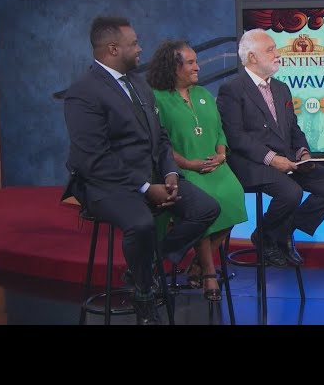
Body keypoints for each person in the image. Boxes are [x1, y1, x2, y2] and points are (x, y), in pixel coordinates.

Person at [63, 16, 221, 324]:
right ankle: (144, 292)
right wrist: (146, 188)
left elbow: (159, 137)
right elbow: (95, 158)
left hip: (154, 175)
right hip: (106, 184)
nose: (140, 48)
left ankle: (145, 266)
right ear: (113, 49)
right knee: (142, 224)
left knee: (206, 209)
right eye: (134, 43)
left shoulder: (138, 83)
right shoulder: (83, 92)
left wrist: (171, 173)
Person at [216, 28, 324, 267]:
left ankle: (277, 232)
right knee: (291, 192)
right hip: (252, 163)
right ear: (252, 57)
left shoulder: (281, 88)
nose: (277, 54)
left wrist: (302, 152)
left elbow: (293, 128)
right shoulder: (232, 89)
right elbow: (235, 137)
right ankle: (269, 238)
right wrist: (271, 158)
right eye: (270, 50)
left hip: (287, 160)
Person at [146, 40, 248, 301]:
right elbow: (159, 144)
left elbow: (219, 130)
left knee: (235, 198)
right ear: (173, 67)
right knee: (204, 207)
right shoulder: (156, 99)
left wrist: (221, 154)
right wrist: (189, 164)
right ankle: (209, 274)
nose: (197, 67)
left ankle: (197, 265)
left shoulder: (203, 93)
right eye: (190, 63)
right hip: (182, 171)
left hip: (216, 166)